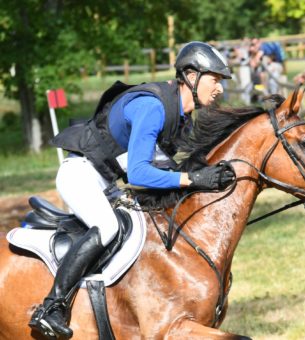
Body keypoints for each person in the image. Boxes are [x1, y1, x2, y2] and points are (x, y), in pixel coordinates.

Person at [28, 41, 237, 339]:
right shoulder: (153, 107)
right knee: (107, 226)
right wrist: (191, 179)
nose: (219, 89)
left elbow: (163, 168)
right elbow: (139, 171)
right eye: (215, 79)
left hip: (105, 183)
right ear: (191, 77)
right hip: (80, 175)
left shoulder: (179, 116)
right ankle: (52, 307)